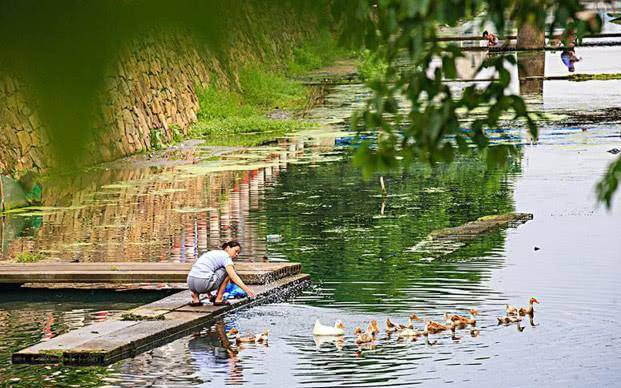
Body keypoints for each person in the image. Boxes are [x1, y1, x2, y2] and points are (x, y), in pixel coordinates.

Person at [187, 241, 256, 306]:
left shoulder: (213, 253)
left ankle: (195, 299)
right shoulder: (226, 257)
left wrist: (209, 295)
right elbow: (233, 276)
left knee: (206, 272)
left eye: (238, 253)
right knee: (229, 271)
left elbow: (206, 271)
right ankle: (219, 299)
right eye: (236, 251)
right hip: (203, 283)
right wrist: (247, 290)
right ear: (228, 248)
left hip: (190, 283)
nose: (237, 254)